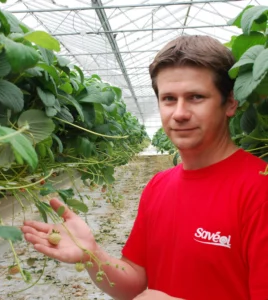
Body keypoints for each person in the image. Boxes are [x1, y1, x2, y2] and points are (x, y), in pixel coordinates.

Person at [22, 35, 268, 300]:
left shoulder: (259, 188)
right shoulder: (158, 186)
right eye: (169, 99)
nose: (180, 113)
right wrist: (92, 254)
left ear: (230, 102)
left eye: (196, 97)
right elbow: (136, 282)